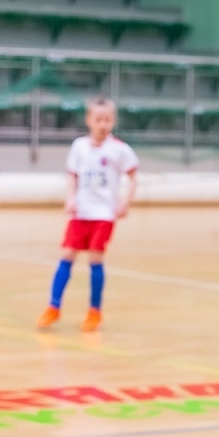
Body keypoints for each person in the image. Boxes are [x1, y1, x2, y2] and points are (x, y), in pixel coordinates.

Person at [37, 98, 138, 333]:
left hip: (103, 214)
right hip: (80, 211)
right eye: (98, 119)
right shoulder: (79, 146)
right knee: (67, 254)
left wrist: (125, 202)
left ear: (113, 121)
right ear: (89, 121)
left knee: (95, 258)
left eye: (108, 120)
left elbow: (133, 176)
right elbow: (72, 176)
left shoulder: (119, 149)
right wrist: (70, 198)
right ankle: (53, 306)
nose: (103, 124)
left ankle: (94, 311)